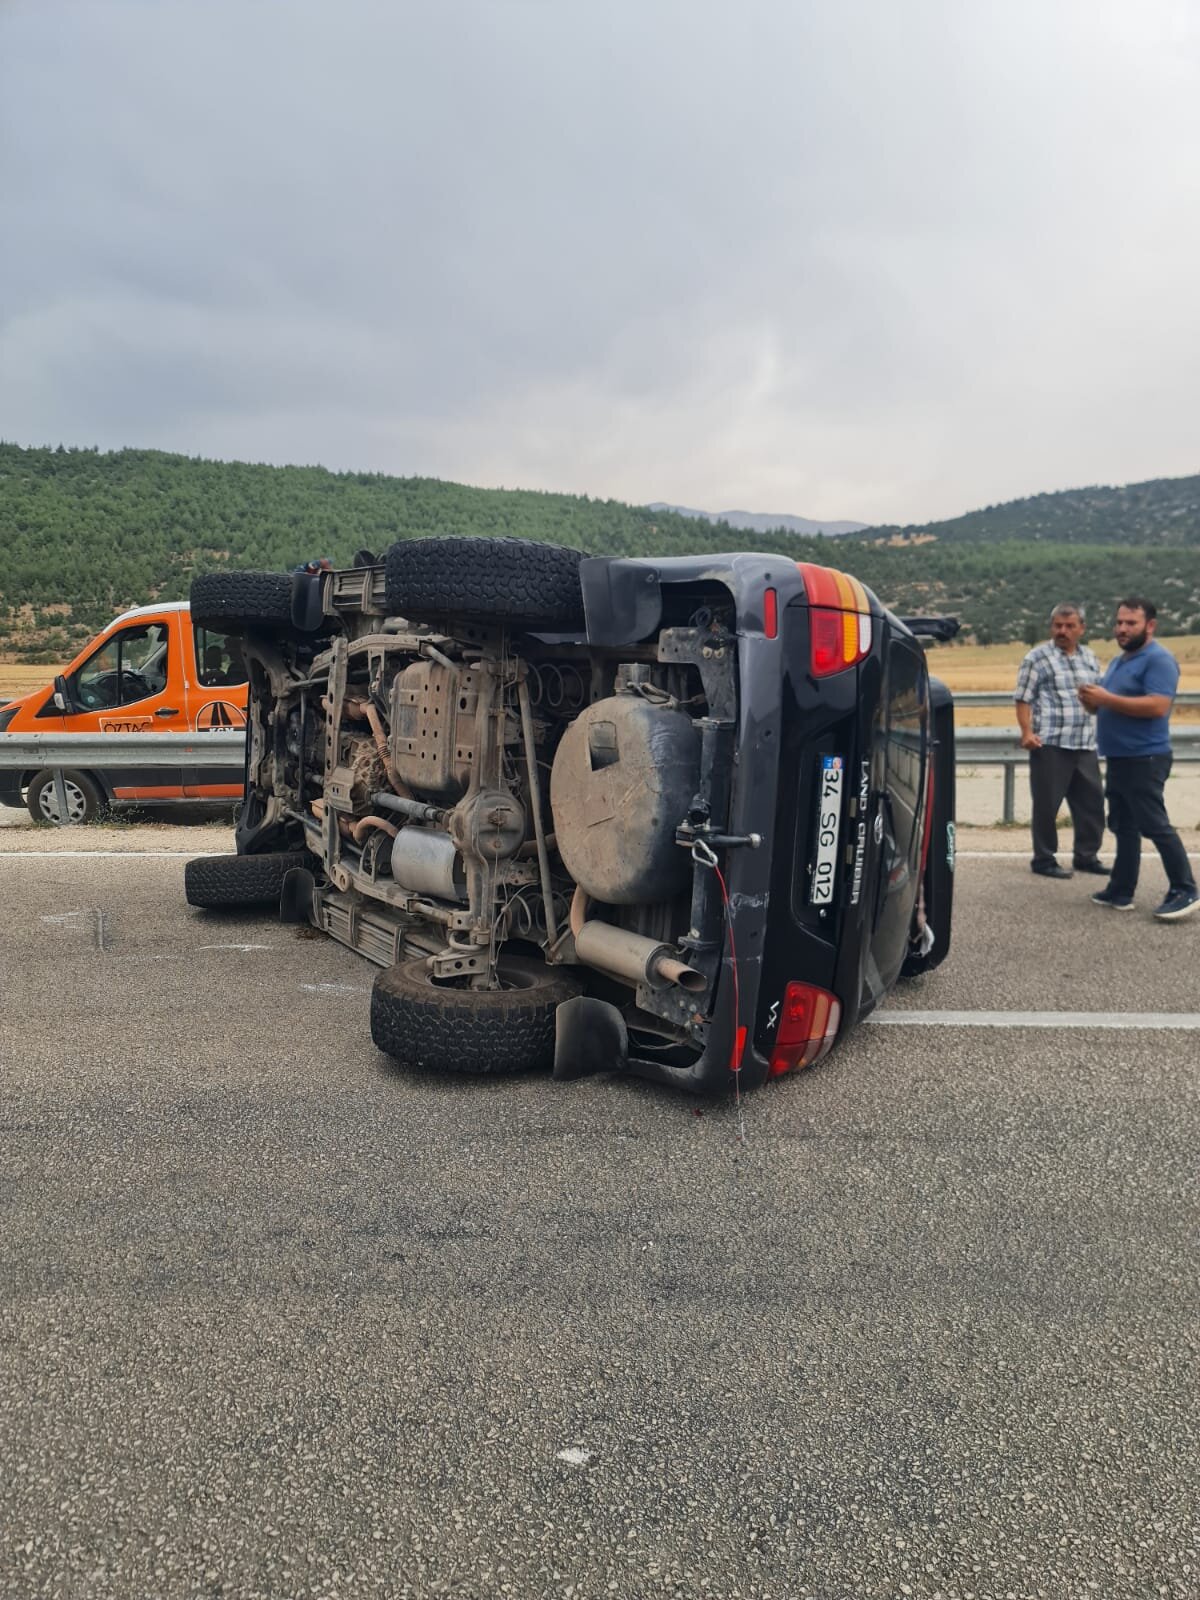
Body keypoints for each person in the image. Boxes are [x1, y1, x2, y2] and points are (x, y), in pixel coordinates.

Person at [1078, 597, 1199, 921]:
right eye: (1119, 622)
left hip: (1145, 757)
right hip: (1120, 756)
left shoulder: (1158, 660)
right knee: (1124, 825)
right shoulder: (1121, 660)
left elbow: (1158, 706)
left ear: (1150, 625)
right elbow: (1111, 705)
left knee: (1153, 824)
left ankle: (1185, 889)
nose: (1122, 628)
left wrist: (1105, 698)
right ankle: (1121, 889)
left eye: (1130, 623)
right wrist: (1092, 702)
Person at [1014, 603, 1106, 879]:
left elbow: (1098, 696)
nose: (1062, 631)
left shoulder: (1089, 657)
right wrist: (1026, 732)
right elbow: (1023, 698)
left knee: (1092, 804)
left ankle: (1086, 856)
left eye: (1069, 626)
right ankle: (1044, 859)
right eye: (1057, 625)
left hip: (1084, 743)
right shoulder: (1037, 658)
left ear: (1081, 629)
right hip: (1051, 744)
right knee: (1047, 806)